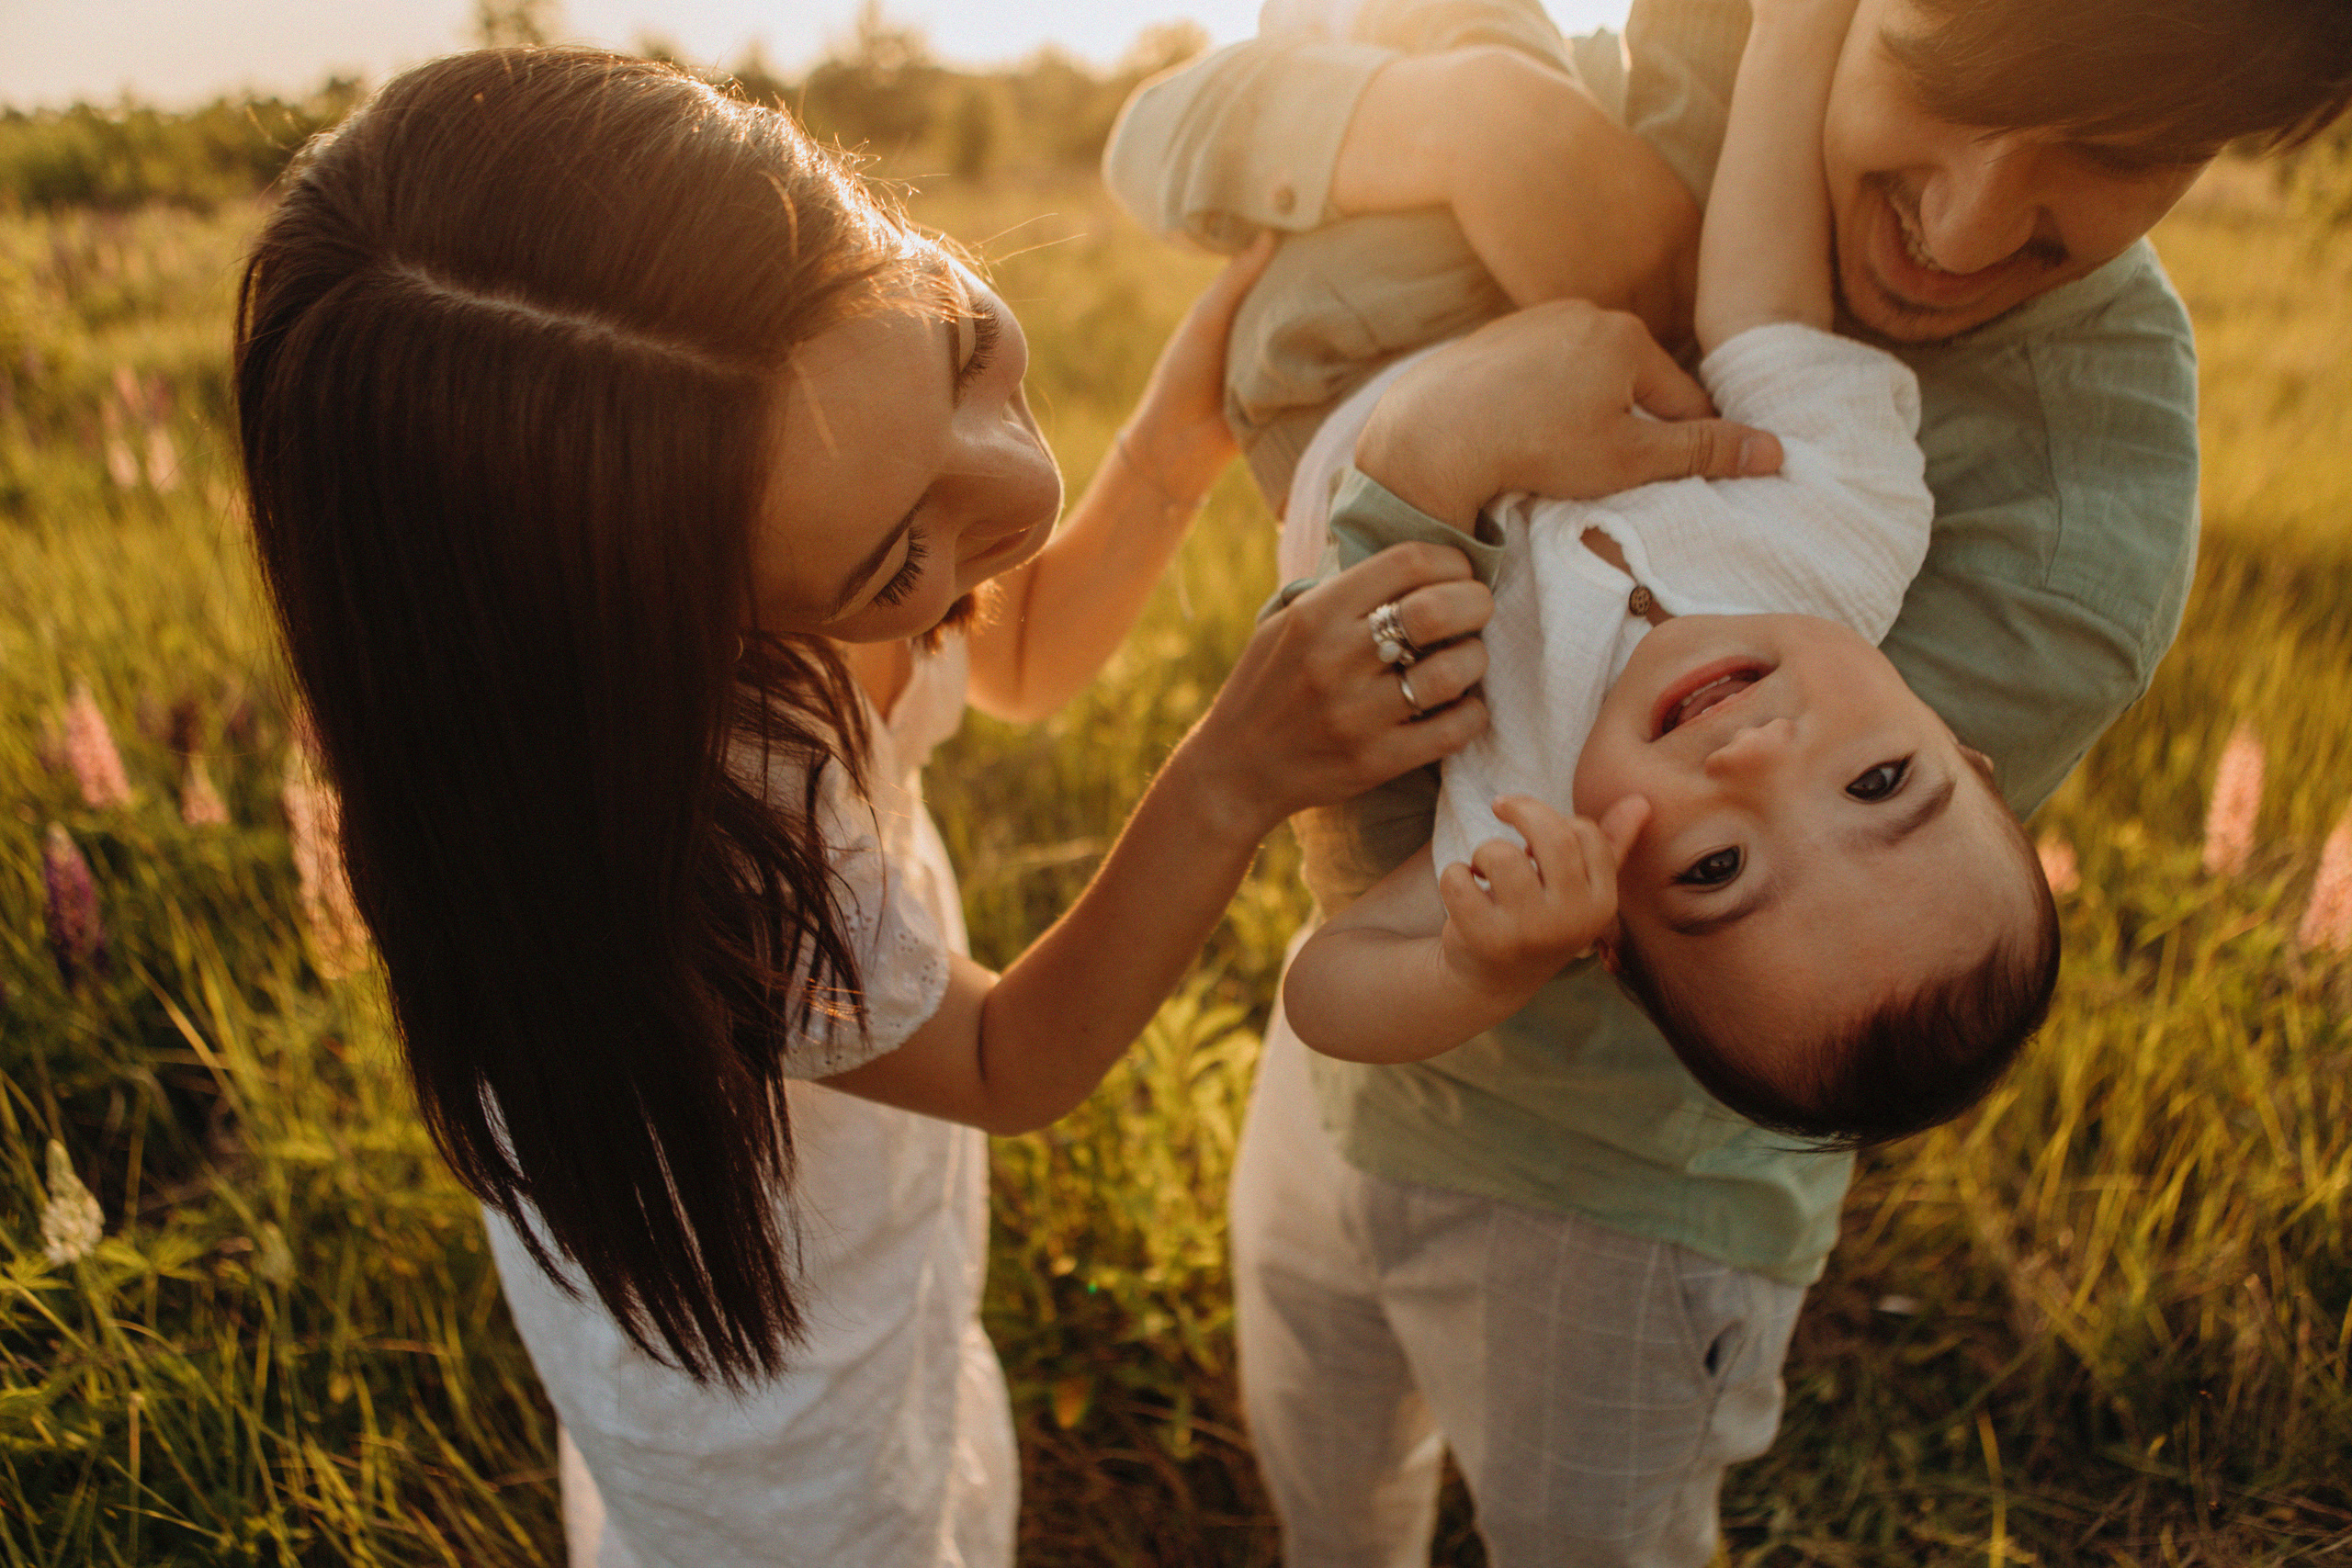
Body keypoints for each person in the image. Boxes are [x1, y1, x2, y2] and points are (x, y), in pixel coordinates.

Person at [231, 46, 1775, 1568]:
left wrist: (1181, 430)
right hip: (783, 1461)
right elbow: (1003, 1052)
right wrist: (1232, 769)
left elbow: (1016, 649)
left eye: (959, 343)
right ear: (674, 634)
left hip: (882, 1294)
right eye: (896, 559)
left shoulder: (776, 482)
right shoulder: (682, 839)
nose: (1012, 491)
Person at [1105, 0, 2352, 1562]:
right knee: (1324, 1462)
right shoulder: (1839, 518)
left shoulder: (2038, 549)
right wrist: (1475, 121)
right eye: (1929, 76)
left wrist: (1431, 452)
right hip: (1345, 1121)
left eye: (2113, 153)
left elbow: (1347, 914)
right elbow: (1157, 145)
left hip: (1616, 1217)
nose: (1756, 759)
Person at [1278, 0, 2055, 1145]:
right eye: (1879, 785)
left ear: (1610, 934)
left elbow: (1323, 986)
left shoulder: (1530, 802)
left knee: (1237, 119)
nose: (1754, 760)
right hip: (1448, 290)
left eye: (1715, 865)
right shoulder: (1851, 528)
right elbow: (1755, 308)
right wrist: (1792, 36)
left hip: (1302, 409)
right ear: (1965, 752)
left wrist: (1480, 971)